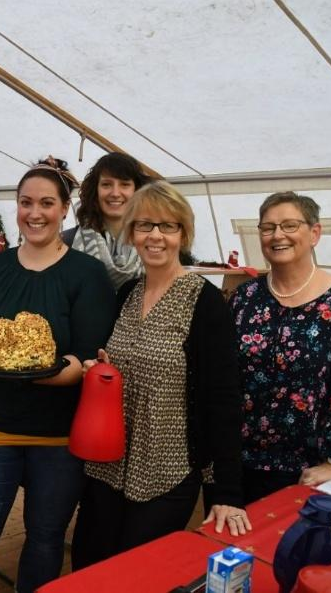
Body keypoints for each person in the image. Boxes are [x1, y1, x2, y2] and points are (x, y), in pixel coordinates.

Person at [0, 157, 116, 592]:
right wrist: (0, 365)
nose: (35, 213)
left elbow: (85, 358)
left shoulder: (86, 273)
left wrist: (38, 372)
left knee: (44, 539)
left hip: (57, 435)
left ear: (65, 209)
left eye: (46, 203)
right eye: (26, 203)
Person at [71, 181, 249, 570]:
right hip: (108, 463)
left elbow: (223, 398)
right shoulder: (127, 294)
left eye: (168, 226)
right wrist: (100, 369)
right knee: (89, 566)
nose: (155, 235)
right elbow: (119, 365)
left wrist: (227, 492)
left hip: (167, 470)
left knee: (138, 573)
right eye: (144, 225)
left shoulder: (203, 302)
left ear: (182, 234)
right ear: (131, 232)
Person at [230, 192, 331, 503]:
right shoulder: (245, 298)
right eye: (268, 228)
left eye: (290, 225)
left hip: (306, 468)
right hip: (237, 462)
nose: (278, 235)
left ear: (314, 233)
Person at [63, 151, 150, 289]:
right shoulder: (66, 242)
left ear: (137, 190)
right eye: (106, 184)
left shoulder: (153, 243)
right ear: (95, 190)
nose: (115, 193)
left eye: (124, 184)